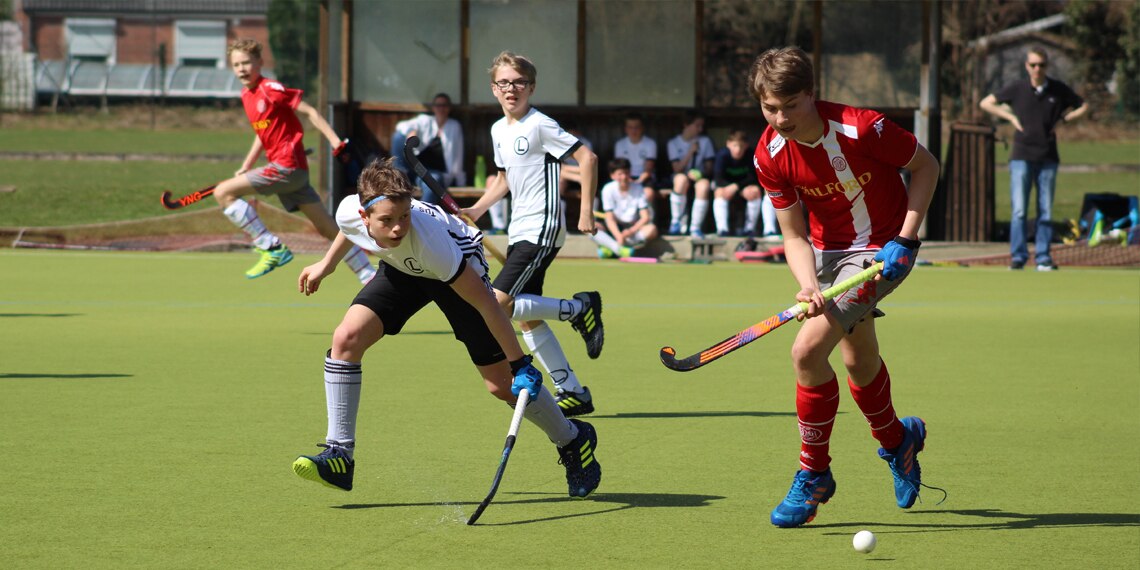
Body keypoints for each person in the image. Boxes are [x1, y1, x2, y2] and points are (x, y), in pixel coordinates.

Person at [290, 157, 601, 499]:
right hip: (403, 269)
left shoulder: (430, 243)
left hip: (454, 271)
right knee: (346, 338)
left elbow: (487, 304)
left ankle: (573, 438)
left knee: (501, 385)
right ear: (365, 216)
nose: (397, 228)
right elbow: (348, 230)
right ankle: (340, 454)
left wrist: (520, 363)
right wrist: (326, 264)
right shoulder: (351, 210)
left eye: (404, 217)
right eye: (387, 221)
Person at [747, 46, 942, 528]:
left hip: (880, 252)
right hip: (827, 253)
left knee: (806, 353)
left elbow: (926, 167)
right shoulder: (768, 153)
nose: (781, 118)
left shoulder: (862, 127)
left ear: (811, 95)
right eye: (770, 108)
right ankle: (899, 441)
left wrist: (906, 237)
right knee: (859, 357)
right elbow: (792, 233)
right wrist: (808, 285)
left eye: (790, 106)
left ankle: (814, 474)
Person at [462, 51, 604, 419]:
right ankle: (572, 390)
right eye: (504, 83)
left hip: (541, 226)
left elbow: (587, 158)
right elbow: (504, 179)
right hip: (519, 227)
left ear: (531, 87)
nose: (512, 89)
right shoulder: (498, 130)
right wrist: (477, 209)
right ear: (494, 89)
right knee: (526, 316)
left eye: (519, 83)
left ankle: (579, 308)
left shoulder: (540, 124)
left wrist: (585, 210)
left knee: (497, 303)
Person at [214, 38, 374, 282]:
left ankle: (270, 246)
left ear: (260, 62)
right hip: (293, 171)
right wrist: (246, 166)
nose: (242, 69)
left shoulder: (270, 89)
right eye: (236, 65)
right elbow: (263, 133)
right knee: (328, 228)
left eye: (247, 62)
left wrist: (335, 142)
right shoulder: (247, 95)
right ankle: (367, 274)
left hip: (286, 166)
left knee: (223, 193)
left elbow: (309, 111)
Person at [979, 46, 1088, 271]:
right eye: (1033, 65)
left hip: (1047, 155)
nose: (1037, 69)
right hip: (1021, 155)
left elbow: (1084, 105)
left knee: (1045, 209)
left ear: (1046, 66)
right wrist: (1009, 116)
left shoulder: (1057, 89)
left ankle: (1043, 257)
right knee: (1019, 209)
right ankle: (1018, 256)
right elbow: (986, 102)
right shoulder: (1017, 88)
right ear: (1027, 66)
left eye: (1041, 65)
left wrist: (1065, 120)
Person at [391, 92, 466, 205]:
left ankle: (423, 217)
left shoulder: (454, 126)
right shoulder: (425, 120)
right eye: (438, 105)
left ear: (449, 108)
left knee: (433, 181)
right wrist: (412, 132)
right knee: (398, 137)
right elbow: (401, 126)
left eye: (444, 105)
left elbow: (458, 155)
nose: (441, 108)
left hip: (431, 173)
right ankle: (398, 177)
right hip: (413, 169)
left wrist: (461, 183)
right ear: (433, 107)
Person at [712, 130, 776, 237]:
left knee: (754, 192)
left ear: (746, 146)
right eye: (735, 145)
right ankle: (722, 229)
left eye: (741, 146)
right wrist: (731, 187)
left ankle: (749, 229)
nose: (738, 150)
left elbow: (753, 177)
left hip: (743, 187)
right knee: (719, 192)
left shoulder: (751, 155)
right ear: (728, 144)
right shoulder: (722, 156)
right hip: (726, 187)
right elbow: (718, 179)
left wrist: (737, 187)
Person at [593, 158, 659, 258]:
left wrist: (630, 231)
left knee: (652, 230)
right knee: (592, 227)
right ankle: (619, 249)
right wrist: (618, 236)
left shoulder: (638, 188)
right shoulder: (607, 189)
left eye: (626, 173)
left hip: (631, 230)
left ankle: (611, 248)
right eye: (620, 174)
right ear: (613, 175)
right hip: (614, 229)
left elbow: (645, 217)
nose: (624, 177)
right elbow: (609, 218)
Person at [665, 111, 716, 237]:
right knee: (681, 180)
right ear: (686, 125)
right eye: (697, 125)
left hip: (698, 177)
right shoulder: (673, 143)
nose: (700, 129)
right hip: (680, 176)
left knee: (704, 186)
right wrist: (690, 152)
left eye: (701, 126)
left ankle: (695, 227)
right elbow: (677, 169)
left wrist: (701, 173)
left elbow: (709, 167)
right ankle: (676, 221)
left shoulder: (705, 141)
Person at [613, 112, 659, 213]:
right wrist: (627, 179)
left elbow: (648, 169)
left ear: (642, 128)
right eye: (630, 127)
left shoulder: (650, 144)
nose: (634, 130)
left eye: (637, 127)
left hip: (644, 177)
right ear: (625, 129)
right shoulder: (620, 144)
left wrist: (637, 182)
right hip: (625, 176)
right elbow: (619, 167)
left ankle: (647, 221)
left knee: (648, 193)